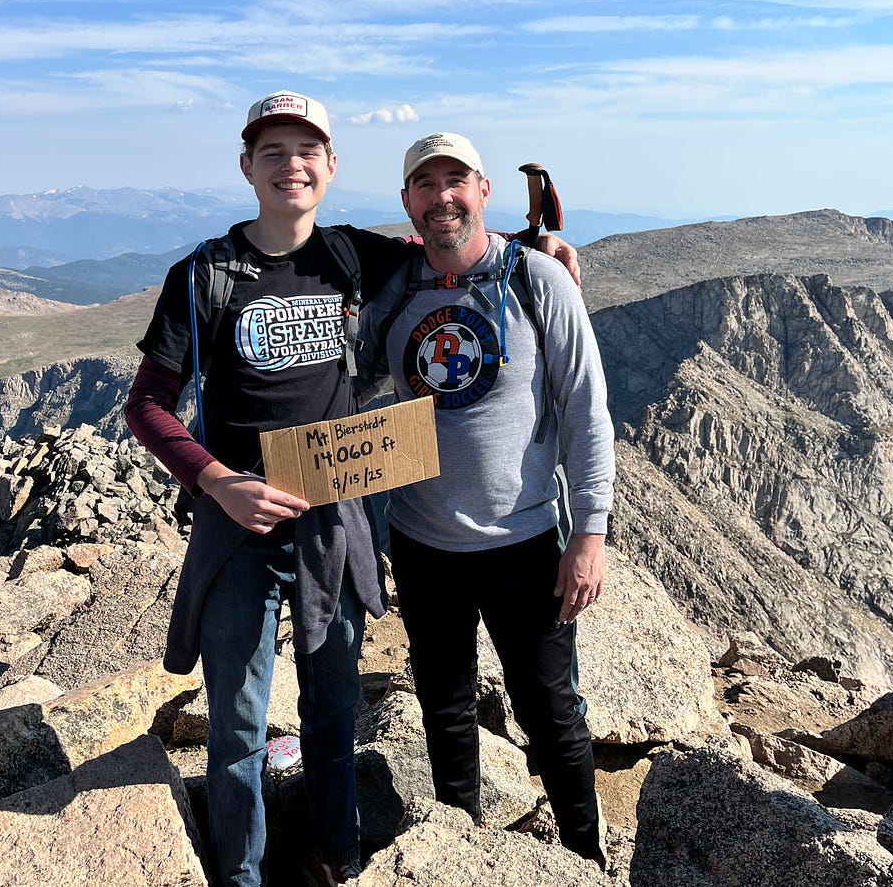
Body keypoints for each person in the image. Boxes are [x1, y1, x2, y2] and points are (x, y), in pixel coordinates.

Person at [124, 94, 578, 887]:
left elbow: (455, 246)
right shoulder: (202, 273)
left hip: (334, 525)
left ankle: (337, 859)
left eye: (307, 150)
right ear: (246, 168)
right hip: (239, 530)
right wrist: (218, 481)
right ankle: (244, 875)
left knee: (332, 712)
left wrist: (539, 250)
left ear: (331, 168)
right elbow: (148, 405)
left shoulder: (355, 257)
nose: (291, 164)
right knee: (235, 727)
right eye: (273, 151)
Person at [355, 130, 615, 867]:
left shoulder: (538, 279)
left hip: (525, 542)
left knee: (552, 713)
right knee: (444, 708)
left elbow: (587, 408)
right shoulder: (397, 290)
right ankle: (461, 855)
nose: (443, 197)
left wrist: (588, 534)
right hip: (422, 539)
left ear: (483, 192)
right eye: (426, 184)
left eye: (456, 181)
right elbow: (355, 384)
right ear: (407, 202)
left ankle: (585, 859)